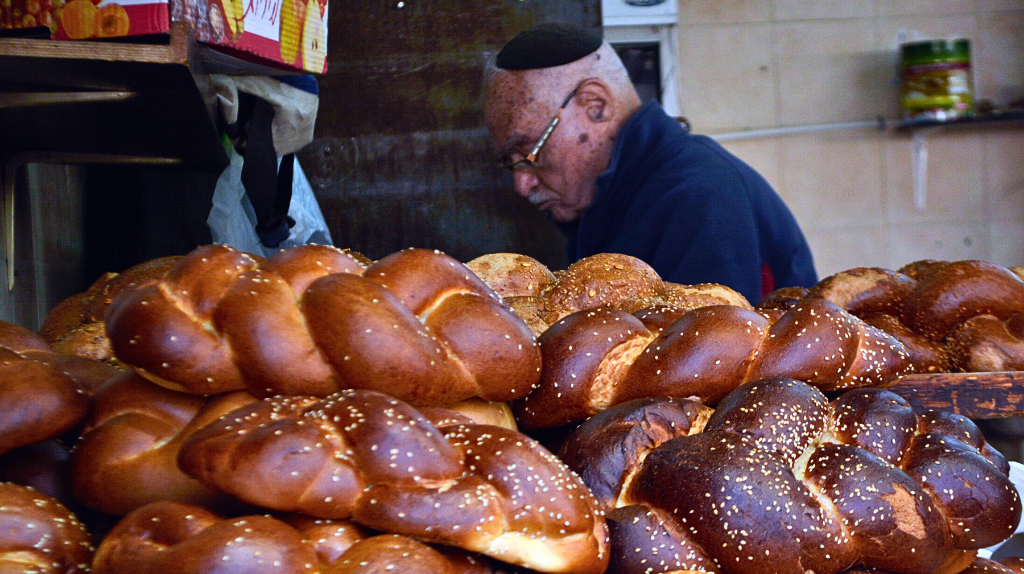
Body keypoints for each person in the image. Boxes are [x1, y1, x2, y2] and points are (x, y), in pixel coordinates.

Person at [482, 22, 818, 305]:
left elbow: (713, 358)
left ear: (596, 106)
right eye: (511, 163)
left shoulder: (699, 197)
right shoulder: (611, 200)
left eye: (531, 152)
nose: (522, 184)